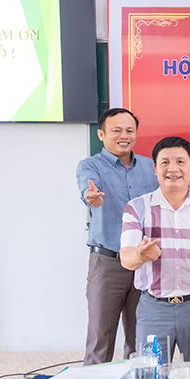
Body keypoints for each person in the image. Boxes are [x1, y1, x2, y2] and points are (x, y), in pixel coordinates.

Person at [120, 136, 190, 364]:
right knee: (150, 376)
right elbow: (127, 259)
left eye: (180, 161)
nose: (173, 169)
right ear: (155, 169)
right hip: (154, 308)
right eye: (165, 162)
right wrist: (140, 255)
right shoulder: (137, 207)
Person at [76, 108, 158, 365]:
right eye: (117, 130)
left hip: (145, 263)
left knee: (142, 339)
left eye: (129, 130)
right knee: (100, 338)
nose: (124, 136)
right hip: (107, 263)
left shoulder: (150, 166)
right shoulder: (90, 165)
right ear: (101, 134)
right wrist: (91, 197)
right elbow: (87, 187)